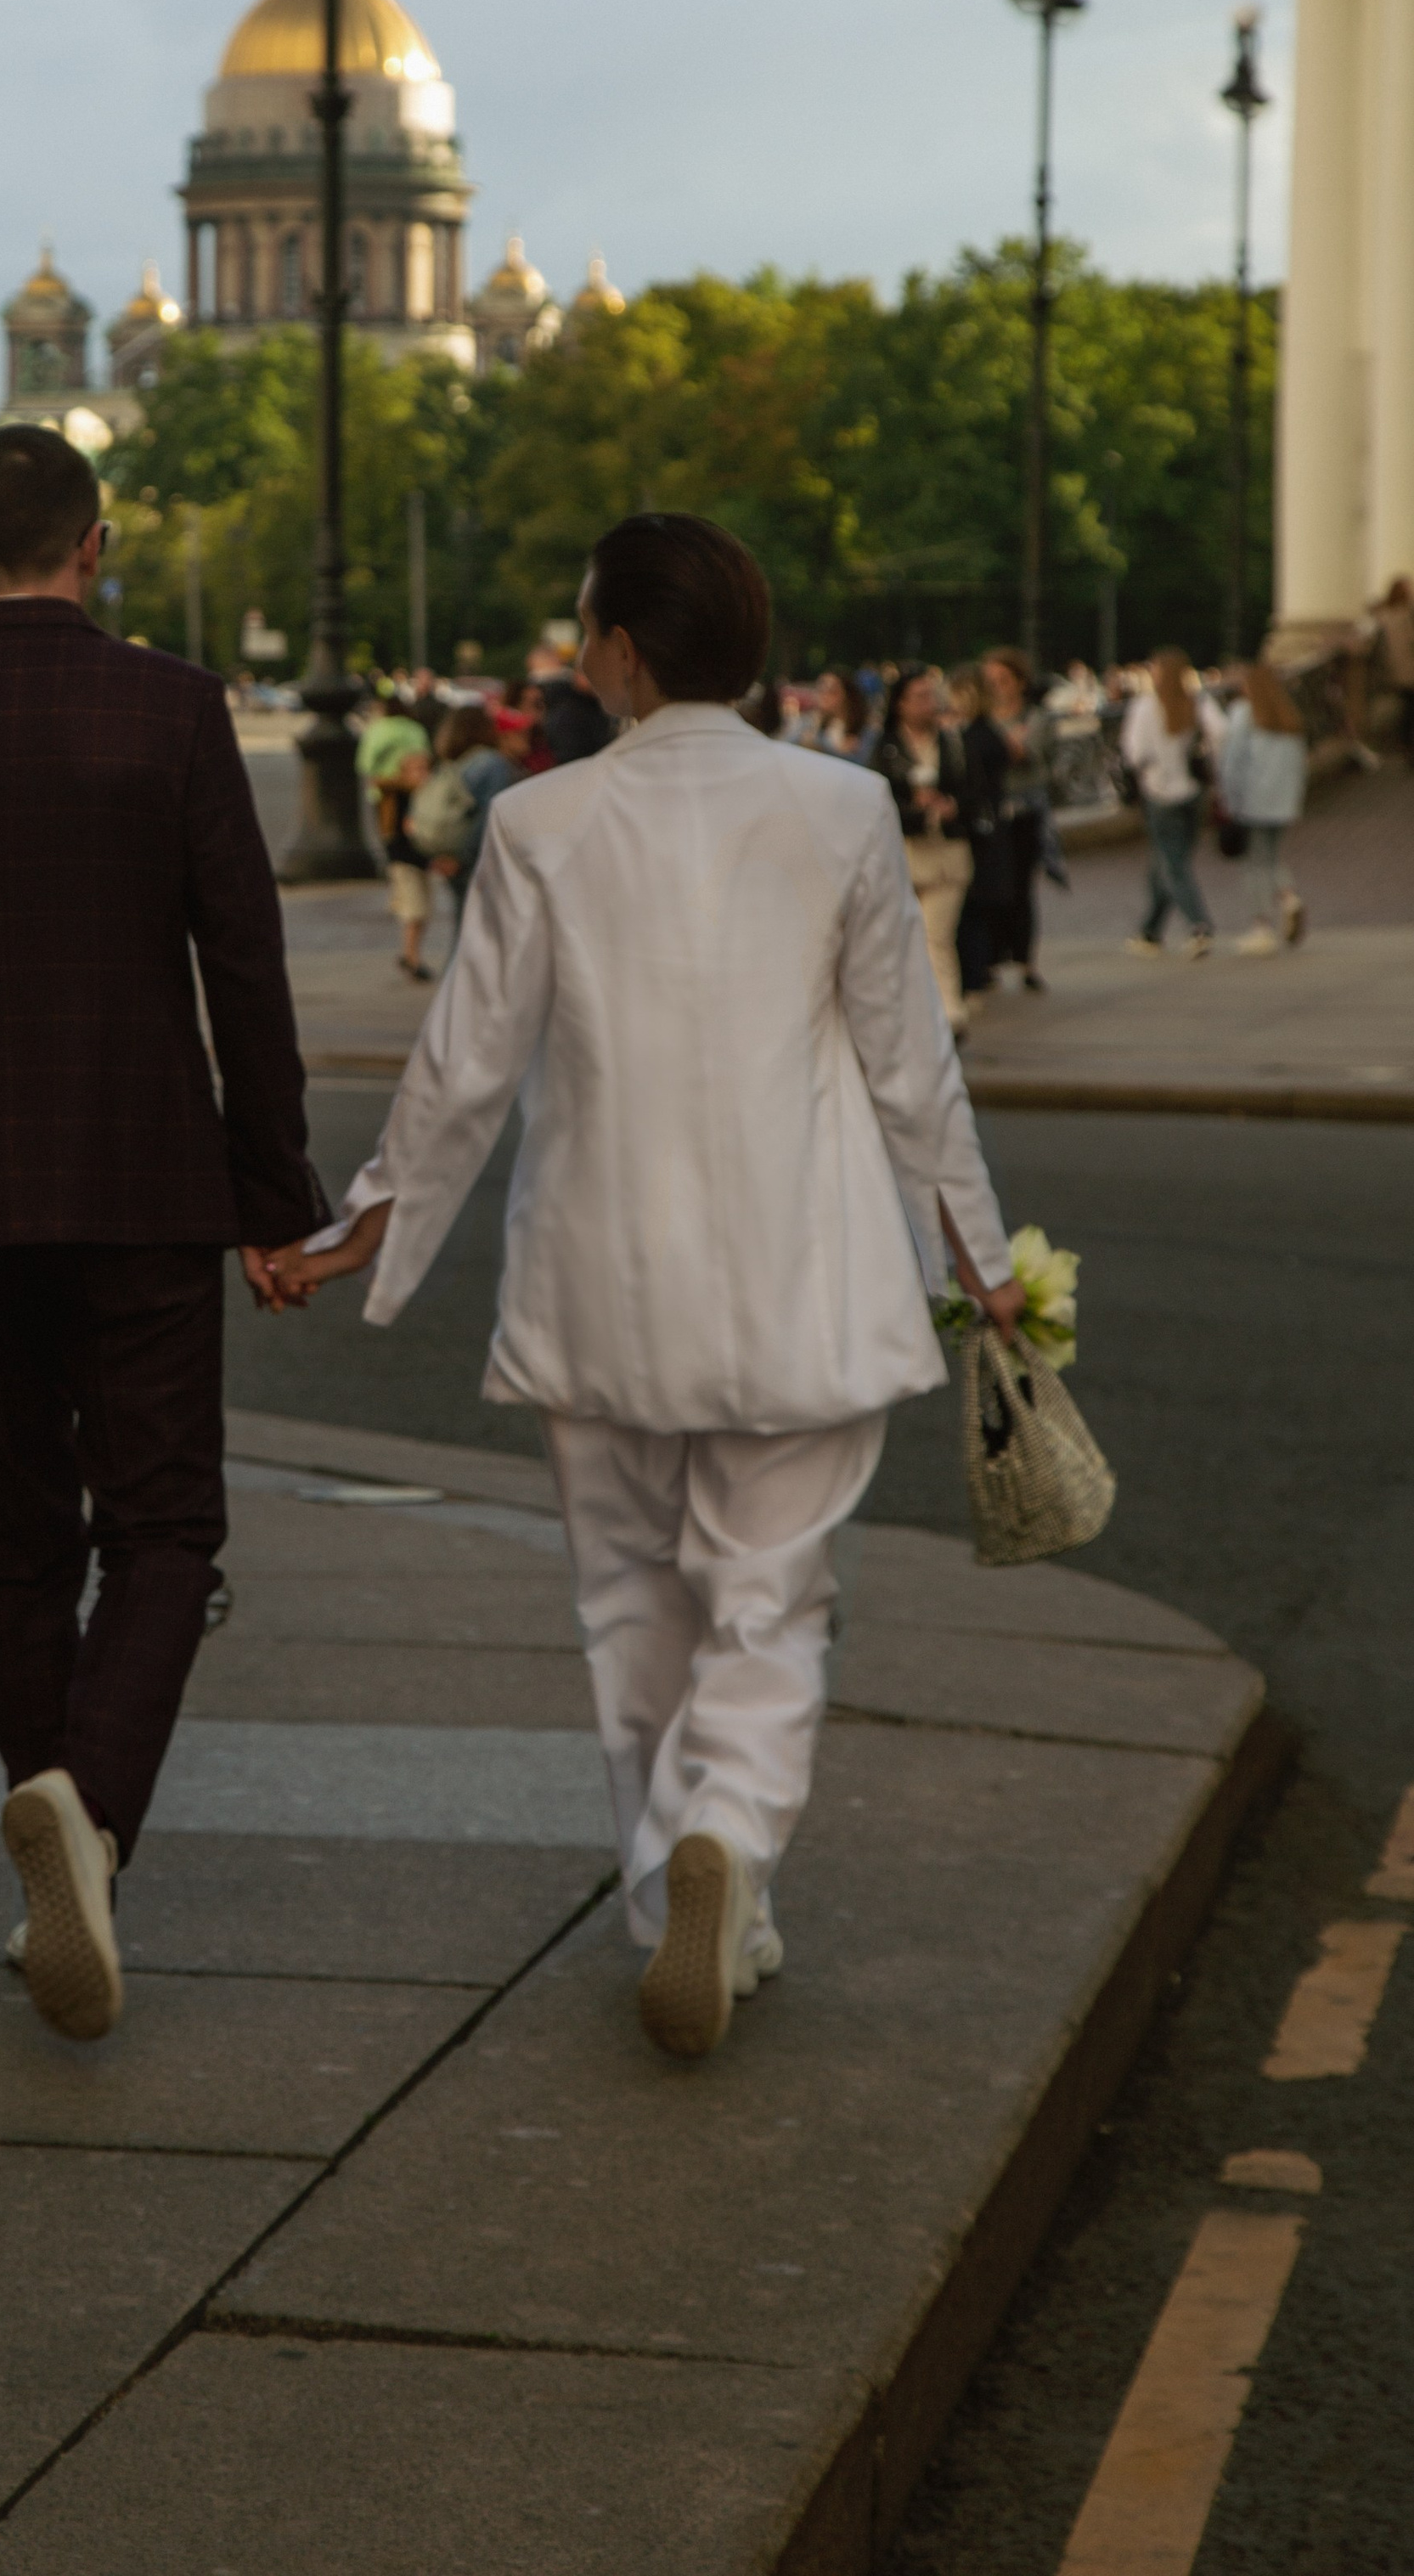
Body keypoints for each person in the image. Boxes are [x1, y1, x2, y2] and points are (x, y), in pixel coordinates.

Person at [270, 512, 1019, 2065]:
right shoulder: (843, 807)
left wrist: (370, 1220)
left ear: (618, 652)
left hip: (596, 1290)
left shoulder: (542, 825)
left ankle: (668, 1890)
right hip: (801, 1285)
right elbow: (907, 1063)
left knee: (628, 1607)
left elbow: (464, 1065)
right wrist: (980, 1259)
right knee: (772, 1603)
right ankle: (728, 1850)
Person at [0, 421, 324, 2047]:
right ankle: (88, 1830)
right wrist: (275, 1198)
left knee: (24, 1538)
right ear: (98, 547)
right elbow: (247, 974)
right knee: (168, 1530)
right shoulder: (174, 710)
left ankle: (56, 1838)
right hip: (147, 1184)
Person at [867, 665, 973, 1034]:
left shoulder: (951, 742)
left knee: (936, 934)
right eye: (920, 696)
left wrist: (951, 806)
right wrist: (916, 808)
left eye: (932, 695)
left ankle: (949, 1010)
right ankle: (918, 1008)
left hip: (946, 853)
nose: (929, 704)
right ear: (900, 703)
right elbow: (879, 802)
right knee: (905, 936)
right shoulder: (887, 747)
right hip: (908, 852)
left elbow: (974, 793)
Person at [1122, 646, 1224, 959]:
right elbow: (1221, 731)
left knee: (1173, 864)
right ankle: (1150, 931)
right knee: (1166, 863)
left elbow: (1133, 752)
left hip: (1160, 793)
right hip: (1192, 792)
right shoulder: (1196, 702)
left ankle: (1199, 925)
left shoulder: (1145, 707)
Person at [977, 649, 1057, 989]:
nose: (996, 688)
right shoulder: (984, 719)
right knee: (990, 887)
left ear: (1019, 683)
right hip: (990, 812)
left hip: (1023, 811)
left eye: (1003, 681)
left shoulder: (1036, 717)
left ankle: (1025, 959)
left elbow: (1027, 754)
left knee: (1022, 886)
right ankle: (991, 958)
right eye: (990, 682)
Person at [1219, 660, 1309, 955]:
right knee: (1270, 857)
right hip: (1282, 801)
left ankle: (1263, 926)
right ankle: (1288, 897)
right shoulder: (1288, 716)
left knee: (1255, 865)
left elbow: (1232, 763)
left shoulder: (1244, 714)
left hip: (1252, 800)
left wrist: (1228, 800)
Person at [411, 704, 519, 932]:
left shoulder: (453, 765)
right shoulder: (491, 763)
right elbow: (490, 816)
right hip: (474, 860)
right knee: (476, 937)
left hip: (448, 854)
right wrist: (464, 859)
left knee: (465, 931)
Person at [357, 694, 437, 982]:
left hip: (386, 795)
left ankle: (410, 954)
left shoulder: (378, 729)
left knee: (419, 906)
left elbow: (365, 763)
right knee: (417, 907)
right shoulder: (415, 731)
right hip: (408, 843)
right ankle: (411, 956)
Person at [1370, 577, 1414, 766]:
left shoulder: (1383, 615)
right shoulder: (1404, 615)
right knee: (1408, 713)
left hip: (1395, 670)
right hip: (1407, 669)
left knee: (1406, 711)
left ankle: (1405, 746)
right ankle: (1407, 747)